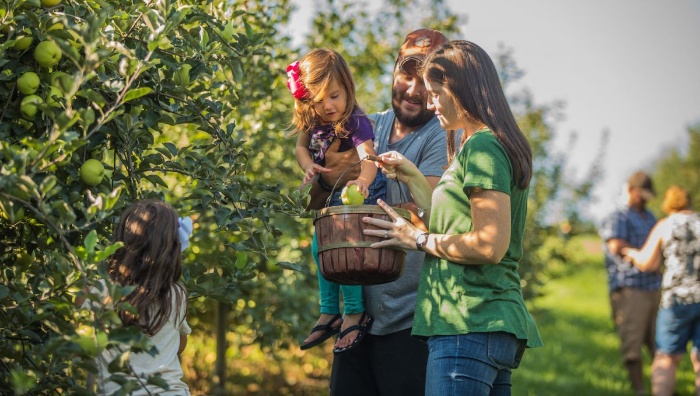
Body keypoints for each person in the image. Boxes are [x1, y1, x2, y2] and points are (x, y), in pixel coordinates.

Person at [361, 40, 543, 395]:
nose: (430, 103)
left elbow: (489, 244)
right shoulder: (480, 144)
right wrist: (413, 175)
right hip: (483, 324)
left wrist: (415, 239)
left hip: (468, 321)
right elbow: (452, 224)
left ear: (461, 89)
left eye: (435, 92)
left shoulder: (482, 147)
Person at [328, 28, 451, 395]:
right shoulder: (366, 126)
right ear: (394, 71)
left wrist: (358, 207)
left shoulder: (443, 136)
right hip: (356, 315)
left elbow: (427, 213)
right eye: (406, 75)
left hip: (410, 321)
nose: (413, 90)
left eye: (426, 81)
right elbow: (321, 198)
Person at [288, 48, 385, 353]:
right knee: (321, 246)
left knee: (344, 246)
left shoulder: (355, 120)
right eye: (318, 100)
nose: (328, 106)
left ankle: (353, 309)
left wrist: (364, 180)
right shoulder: (312, 120)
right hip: (331, 192)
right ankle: (329, 310)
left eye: (334, 96)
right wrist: (308, 166)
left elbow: (369, 157)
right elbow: (300, 148)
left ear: (347, 89)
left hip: (361, 189)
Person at [83, 199, 193, 395]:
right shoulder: (176, 295)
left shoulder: (101, 291)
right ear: (173, 250)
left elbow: (80, 341)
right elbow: (179, 346)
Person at [623, 185, 700, 396]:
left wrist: (629, 252)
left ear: (669, 205)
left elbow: (647, 262)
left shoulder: (666, 225)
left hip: (676, 300)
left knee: (666, 357)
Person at [599, 171, 663, 395]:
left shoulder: (650, 216)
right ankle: (640, 391)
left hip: (654, 287)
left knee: (659, 345)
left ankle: (662, 389)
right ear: (632, 190)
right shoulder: (619, 215)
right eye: (642, 195)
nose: (645, 199)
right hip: (630, 288)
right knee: (633, 345)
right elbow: (616, 246)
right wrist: (642, 257)